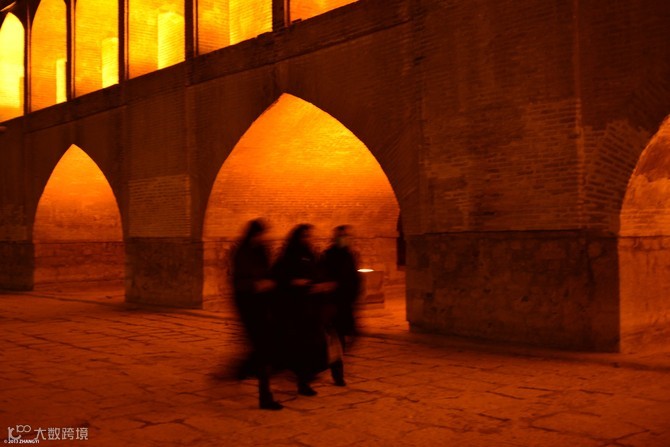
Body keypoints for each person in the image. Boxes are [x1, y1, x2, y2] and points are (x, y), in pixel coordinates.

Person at [273, 224, 332, 397]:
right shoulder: (288, 257)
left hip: (313, 309)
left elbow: (318, 274)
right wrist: (293, 282)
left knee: (315, 345)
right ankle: (302, 381)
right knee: (301, 347)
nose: (308, 239)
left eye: (310, 236)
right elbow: (278, 278)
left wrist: (322, 285)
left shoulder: (312, 255)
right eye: (305, 236)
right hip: (296, 311)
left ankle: (305, 376)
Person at [231, 219, 283, 410]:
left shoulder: (262, 251)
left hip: (264, 305)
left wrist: (270, 284)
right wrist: (256, 285)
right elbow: (238, 281)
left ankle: (243, 370)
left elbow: (269, 273)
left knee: (262, 348)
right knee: (262, 349)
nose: (264, 238)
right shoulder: (241, 252)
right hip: (248, 306)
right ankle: (264, 396)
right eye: (261, 234)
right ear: (254, 235)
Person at [319, 225, 362, 386]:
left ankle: (332, 365)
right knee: (337, 340)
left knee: (346, 338)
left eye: (347, 236)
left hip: (346, 303)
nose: (345, 239)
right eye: (342, 236)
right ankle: (337, 374)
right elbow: (324, 277)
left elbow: (354, 277)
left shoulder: (349, 254)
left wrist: (355, 295)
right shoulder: (328, 255)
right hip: (334, 304)